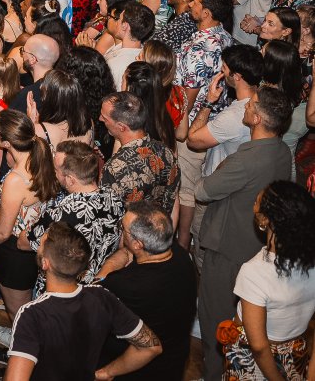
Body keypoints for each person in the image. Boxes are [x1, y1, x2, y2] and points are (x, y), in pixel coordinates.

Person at [195, 86, 295, 381]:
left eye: (252, 104)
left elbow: (202, 191)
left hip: (226, 249)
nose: (247, 106)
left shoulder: (244, 160)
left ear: (259, 118)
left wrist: (223, 165)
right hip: (255, 246)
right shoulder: (282, 150)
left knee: (216, 320)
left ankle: (215, 375)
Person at [4, 222, 162, 381]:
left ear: (45, 263)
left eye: (40, 245)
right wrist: (107, 372)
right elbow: (151, 347)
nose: (38, 247)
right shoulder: (102, 297)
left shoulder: (31, 315)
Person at [219, 181, 315, 380]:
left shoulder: (254, 272)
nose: (254, 204)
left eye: (258, 201)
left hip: (256, 363)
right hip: (296, 355)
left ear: (265, 220)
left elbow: (259, 346)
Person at [96, 203, 197, 381]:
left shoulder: (127, 286)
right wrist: (130, 252)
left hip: (134, 370)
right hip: (174, 363)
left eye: (123, 228)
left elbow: (97, 286)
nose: (121, 231)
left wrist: (109, 265)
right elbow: (130, 253)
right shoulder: (181, 257)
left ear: (138, 244)